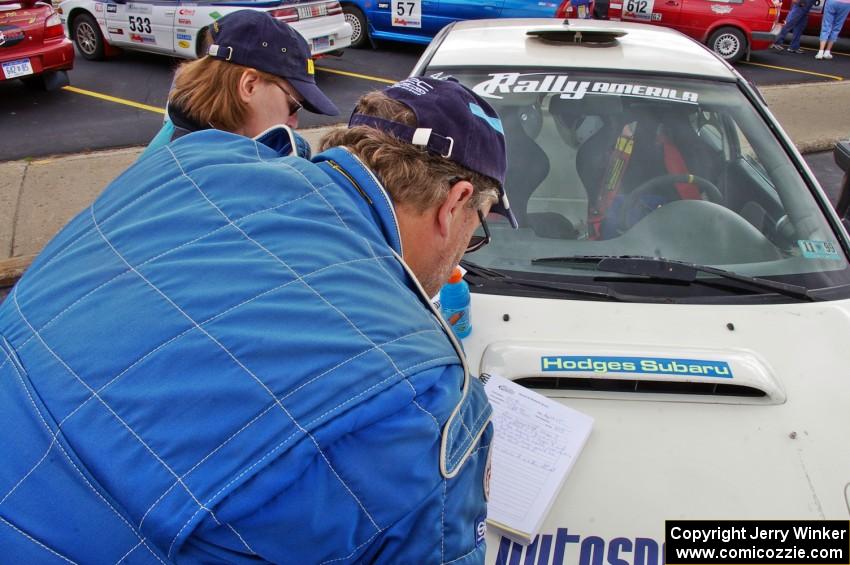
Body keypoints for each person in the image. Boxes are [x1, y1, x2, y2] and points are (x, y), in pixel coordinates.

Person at [0, 76, 517, 563]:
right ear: (456, 203)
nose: (461, 257)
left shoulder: (191, 161)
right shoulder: (427, 401)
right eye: (475, 233)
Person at [139, 9, 338, 161]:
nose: (294, 122)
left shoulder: (188, 139)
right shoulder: (200, 175)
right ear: (249, 86)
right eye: (293, 106)